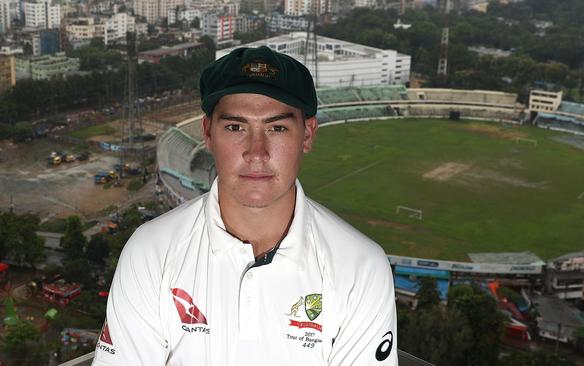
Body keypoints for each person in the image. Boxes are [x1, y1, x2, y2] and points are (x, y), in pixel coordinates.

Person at [92, 46, 397, 365]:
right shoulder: (150, 252)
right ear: (208, 134)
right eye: (235, 127)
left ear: (307, 135)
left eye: (277, 128)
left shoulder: (361, 268)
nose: (256, 152)